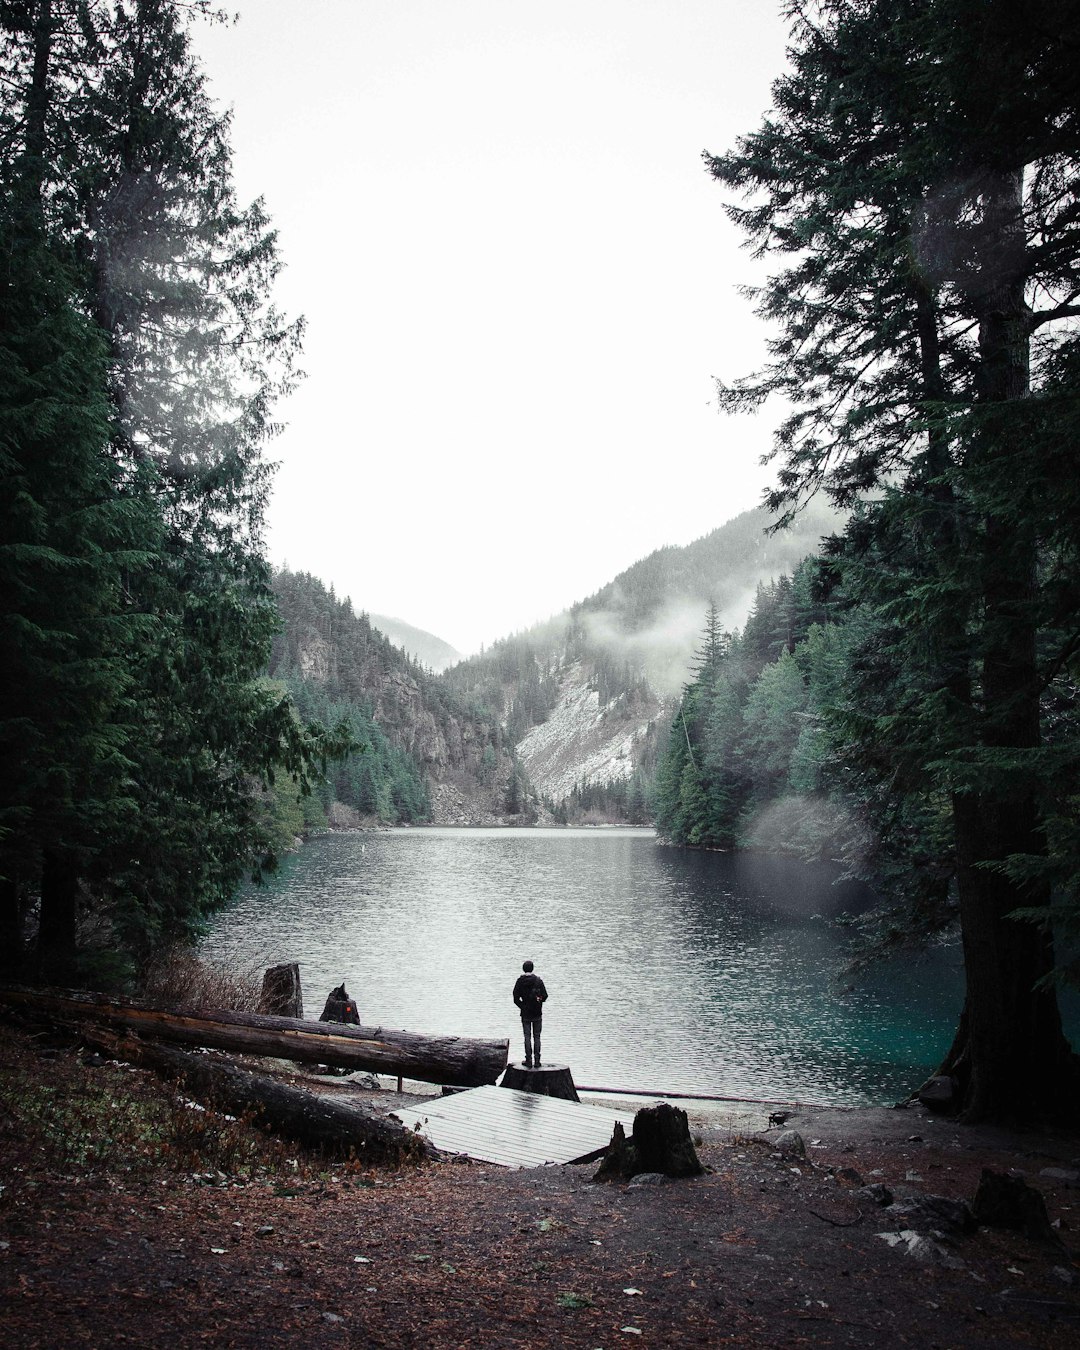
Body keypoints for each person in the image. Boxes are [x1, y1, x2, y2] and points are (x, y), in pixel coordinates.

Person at [512, 959, 548, 1068]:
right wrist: (538, 1001)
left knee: (527, 1036)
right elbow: (545, 996)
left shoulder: (520, 981)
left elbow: (515, 998)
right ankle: (537, 1061)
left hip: (525, 1014)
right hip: (537, 1013)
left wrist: (522, 1007)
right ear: (532, 969)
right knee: (537, 1037)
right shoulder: (538, 981)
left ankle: (528, 1060)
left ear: (523, 969)